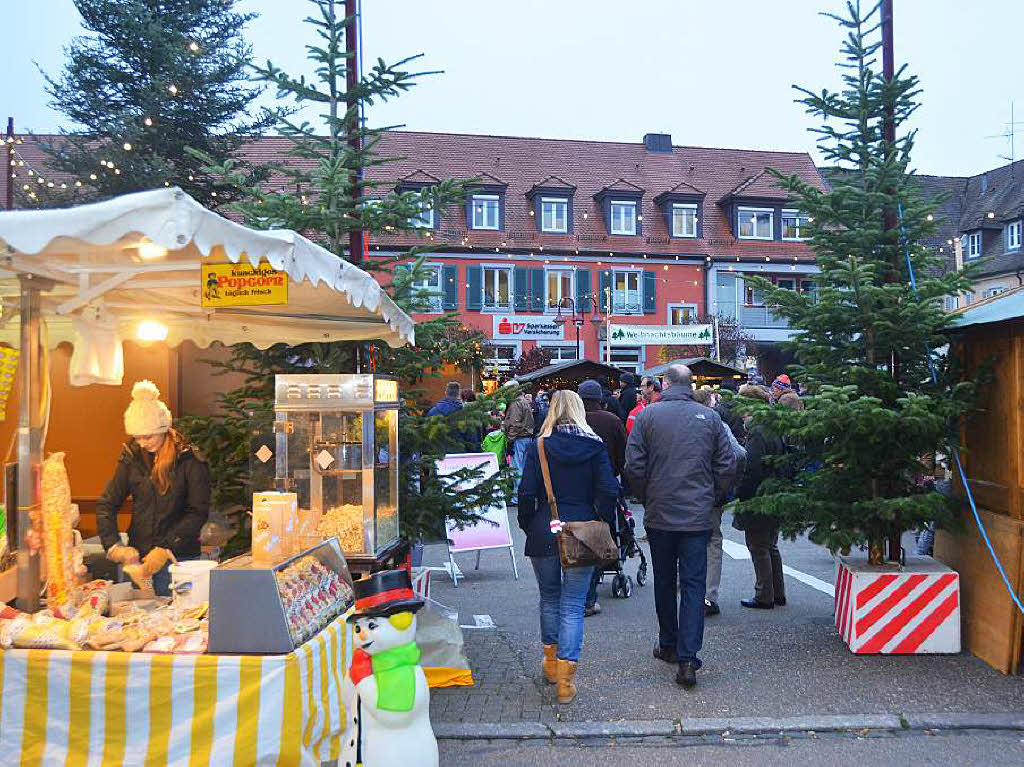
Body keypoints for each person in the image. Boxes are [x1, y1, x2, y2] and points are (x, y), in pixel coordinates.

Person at [625, 365, 736, 689]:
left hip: (661, 513)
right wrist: (711, 495)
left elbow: (634, 466)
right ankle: (688, 658)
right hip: (696, 514)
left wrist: (647, 496)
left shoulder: (648, 417)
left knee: (664, 582)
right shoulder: (710, 418)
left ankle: (669, 643)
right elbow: (728, 463)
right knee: (692, 585)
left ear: (666, 384)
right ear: (690, 385)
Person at [517, 390, 618, 704]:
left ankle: (549, 664)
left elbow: (525, 493)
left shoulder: (540, 446)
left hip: (544, 529)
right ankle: (566, 681)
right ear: (579, 411)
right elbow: (609, 490)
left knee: (549, 597)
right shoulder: (594, 446)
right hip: (583, 531)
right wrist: (598, 516)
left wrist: (529, 525)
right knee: (574, 605)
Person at [96, 381, 211, 596]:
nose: (142, 443)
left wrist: (166, 548)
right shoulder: (131, 457)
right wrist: (115, 547)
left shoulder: (189, 459)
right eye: (137, 437)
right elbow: (107, 503)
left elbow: (197, 512)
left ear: (164, 429)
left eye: (148, 436)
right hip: (140, 560)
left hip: (179, 560)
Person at [734, 390, 802, 609]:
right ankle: (777, 592)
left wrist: (742, 492)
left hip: (759, 495)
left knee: (758, 546)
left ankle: (764, 595)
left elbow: (751, 467)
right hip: (774, 491)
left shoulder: (758, 432)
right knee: (770, 545)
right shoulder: (776, 430)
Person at [692, 388, 746, 617]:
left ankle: (685, 588)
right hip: (710, 493)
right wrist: (727, 486)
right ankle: (708, 596)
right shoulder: (719, 426)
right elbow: (740, 455)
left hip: (677, 493)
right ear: (710, 404)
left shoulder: (674, 425)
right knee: (712, 541)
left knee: (679, 538)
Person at [578, 379, 627, 616]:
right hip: (605, 485)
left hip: (575, 486)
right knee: (600, 534)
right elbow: (622, 454)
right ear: (600, 399)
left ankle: (579, 590)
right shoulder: (612, 421)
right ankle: (591, 588)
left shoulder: (571, 420)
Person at [502, 380, 535, 505]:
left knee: (517, 469)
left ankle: (517, 498)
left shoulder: (516, 403)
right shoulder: (524, 401)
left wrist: (510, 440)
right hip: (525, 438)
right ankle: (523, 496)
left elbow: (515, 424)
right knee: (523, 468)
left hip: (518, 439)